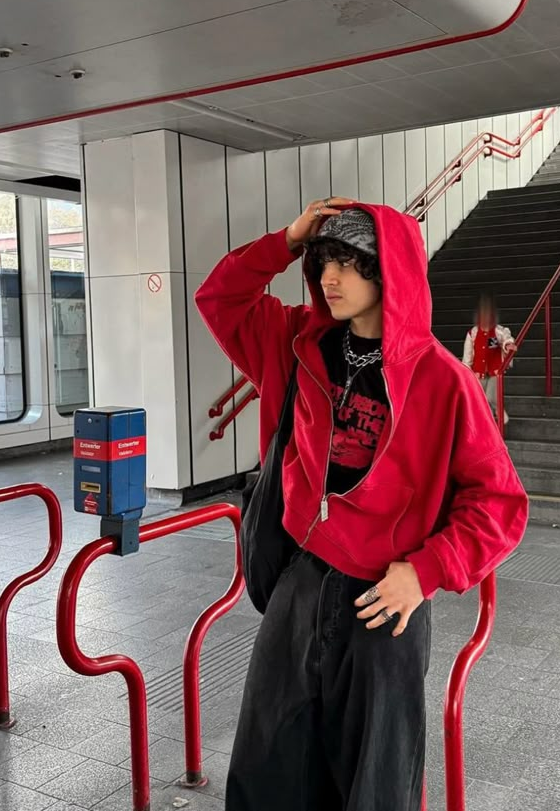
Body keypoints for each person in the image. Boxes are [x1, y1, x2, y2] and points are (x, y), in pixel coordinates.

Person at [195, 197, 528, 811]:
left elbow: (500, 503)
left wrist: (425, 572)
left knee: (376, 780)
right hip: (302, 581)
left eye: (349, 263)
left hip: (385, 602)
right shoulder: (299, 343)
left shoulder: (440, 380)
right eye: (323, 261)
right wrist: (288, 239)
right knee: (268, 763)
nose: (330, 278)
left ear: (389, 272)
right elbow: (219, 298)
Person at [463, 292, 517, 425]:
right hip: (478, 373)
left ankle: (502, 420)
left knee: (491, 397)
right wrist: (465, 371)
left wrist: (508, 344)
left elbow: (506, 337)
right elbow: (467, 356)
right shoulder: (473, 333)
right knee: (480, 400)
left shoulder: (498, 331)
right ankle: (488, 424)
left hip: (495, 372)